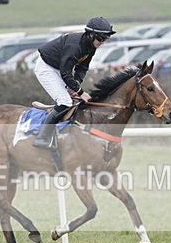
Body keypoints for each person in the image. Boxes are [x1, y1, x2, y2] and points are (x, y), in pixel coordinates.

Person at [32, 16, 115, 149]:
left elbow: (82, 68)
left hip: (59, 69)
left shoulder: (90, 46)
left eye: (105, 39)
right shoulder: (75, 46)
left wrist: (76, 83)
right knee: (65, 102)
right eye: (100, 38)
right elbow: (66, 73)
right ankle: (42, 137)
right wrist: (80, 91)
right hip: (46, 68)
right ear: (90, 34)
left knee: (74, 100)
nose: (102, 42)